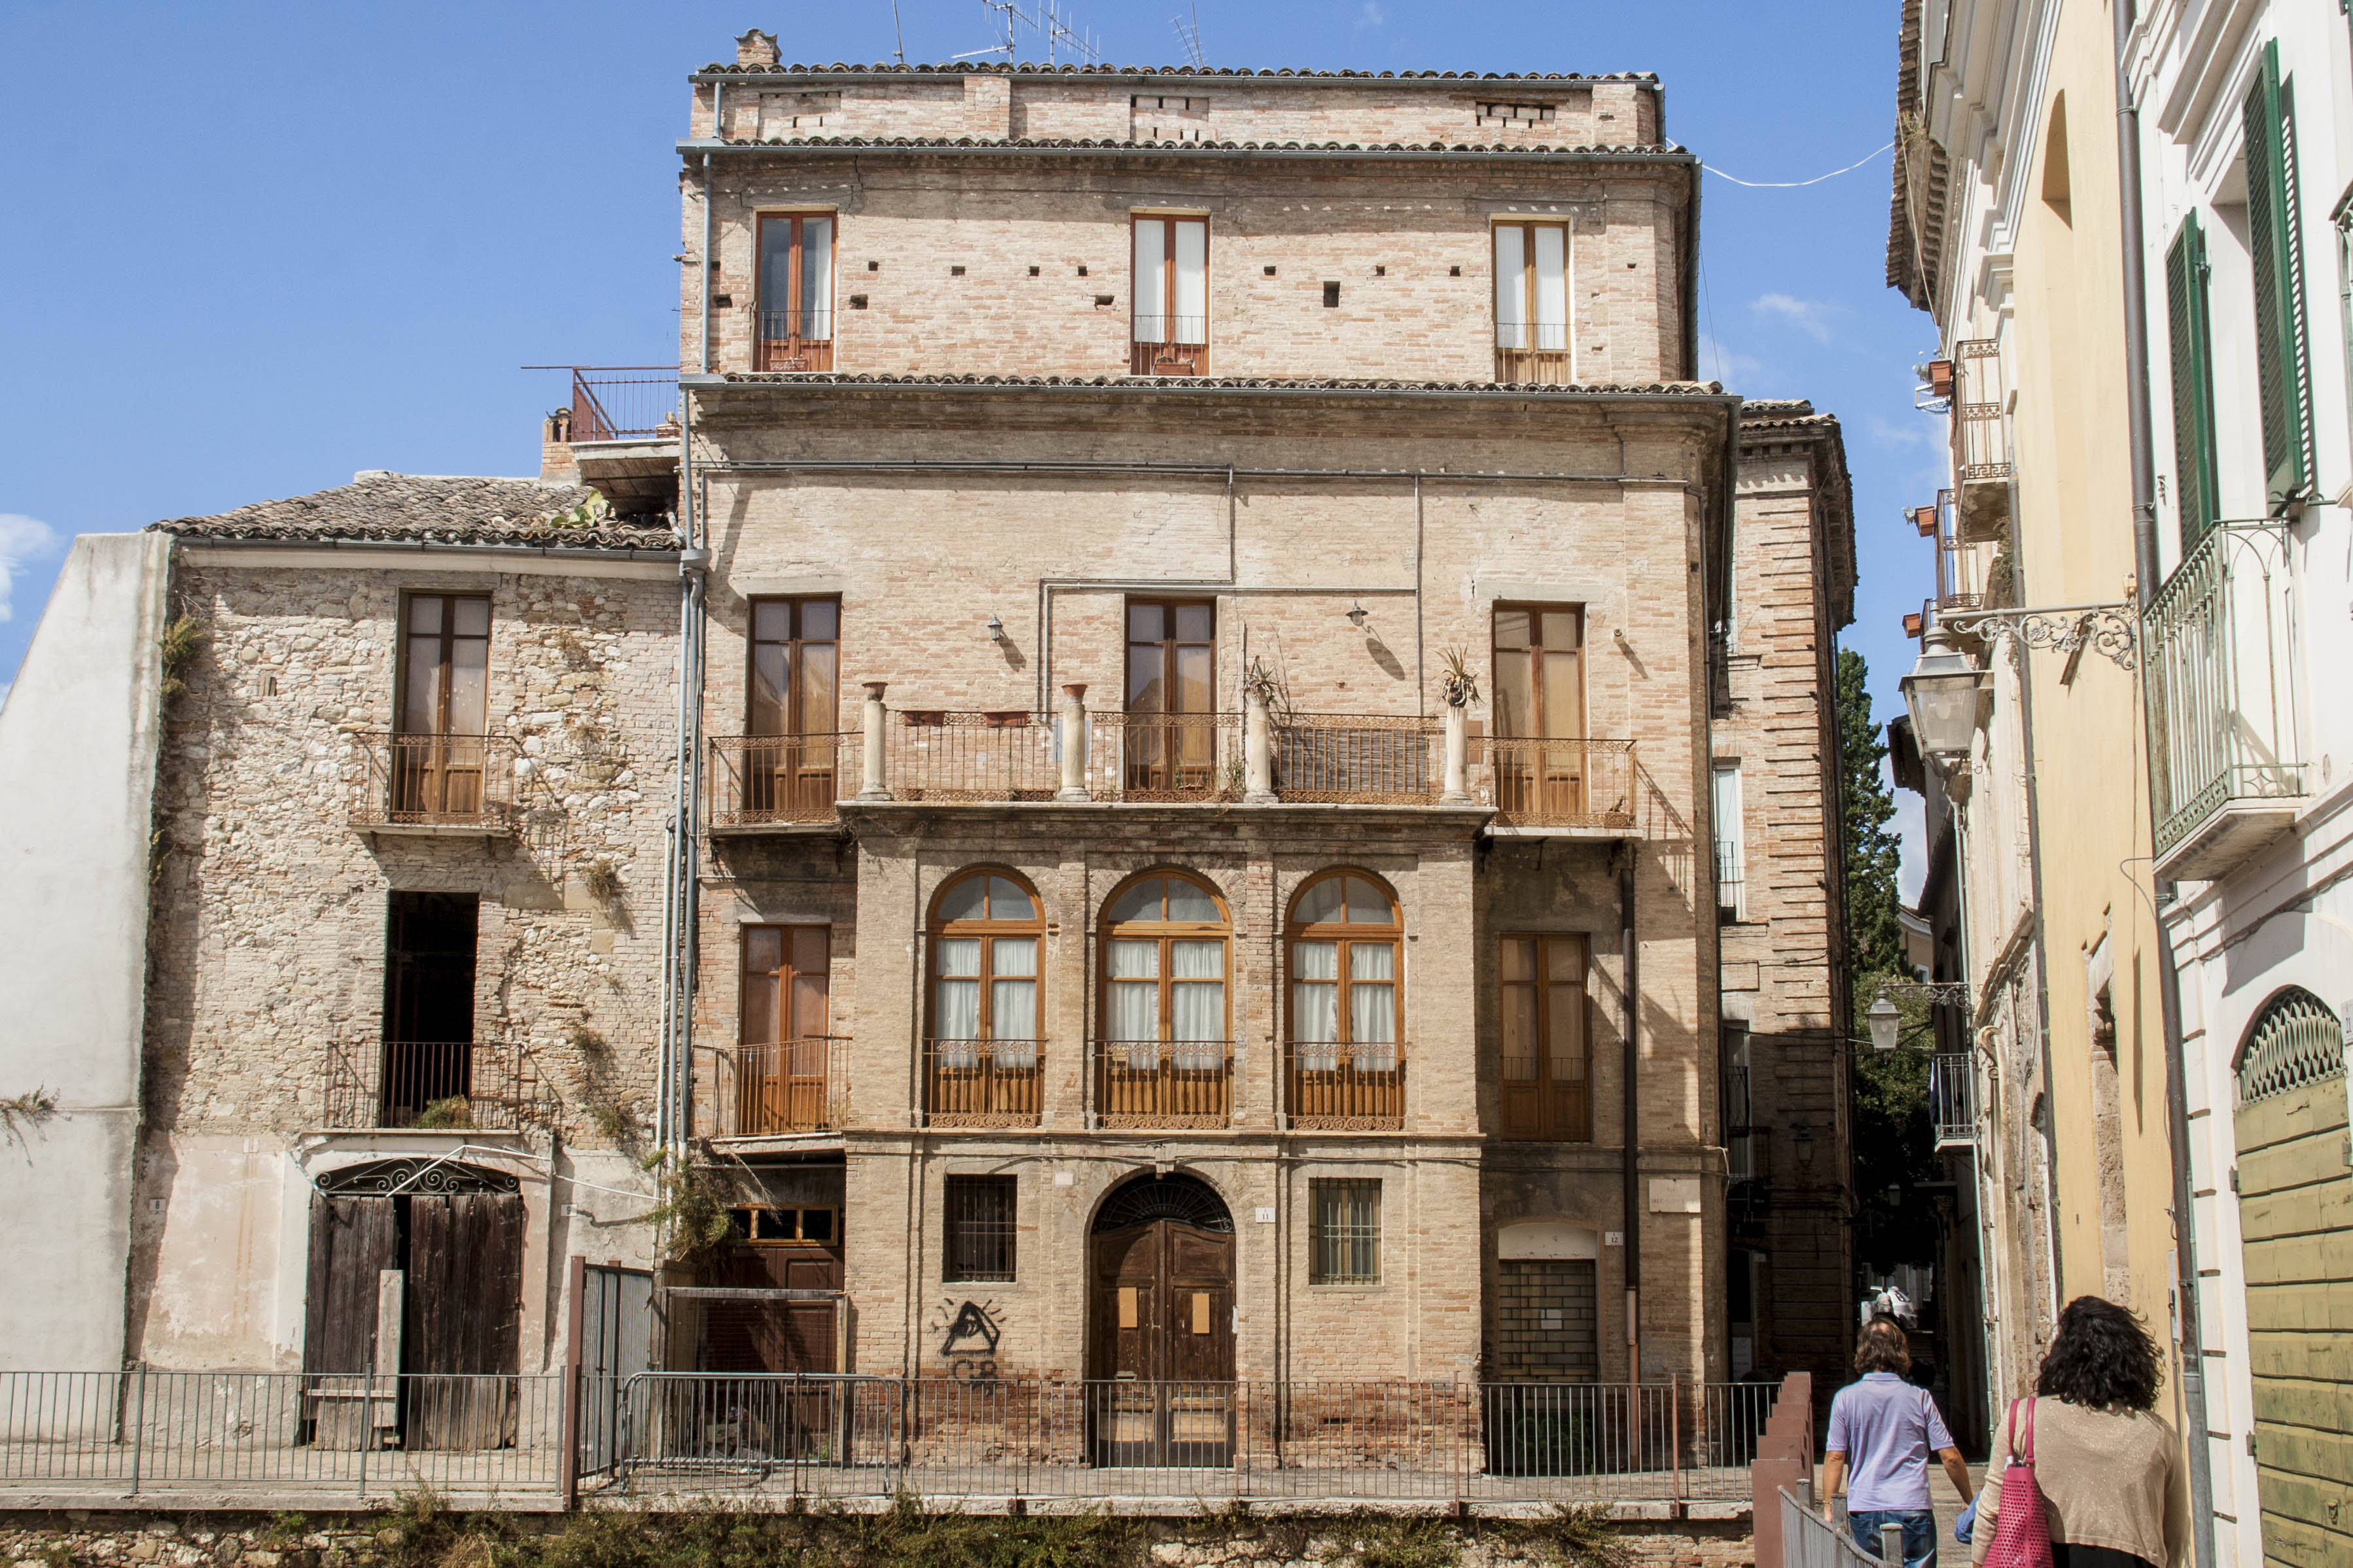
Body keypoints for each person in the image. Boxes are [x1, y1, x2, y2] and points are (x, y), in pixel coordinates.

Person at [1973, 1297, 2187, 1568]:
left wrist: (1979, 1562)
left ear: (2061, 1355)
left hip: (2046, 1558)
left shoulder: (2024, 1420)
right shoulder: (2157, 1434)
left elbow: (1991, 1512)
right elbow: (2176, 1533)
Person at [1824, 1315, 1975, 1568]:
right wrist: (1968, 1499)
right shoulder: (1920, 1398)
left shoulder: (1845, 1399)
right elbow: (1950, 1456)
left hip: (1866, 1507)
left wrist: (1829, 1506)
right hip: (1912, 1506)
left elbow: (1835, 1457)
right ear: (1899, 1351)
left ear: (1863, 1351)